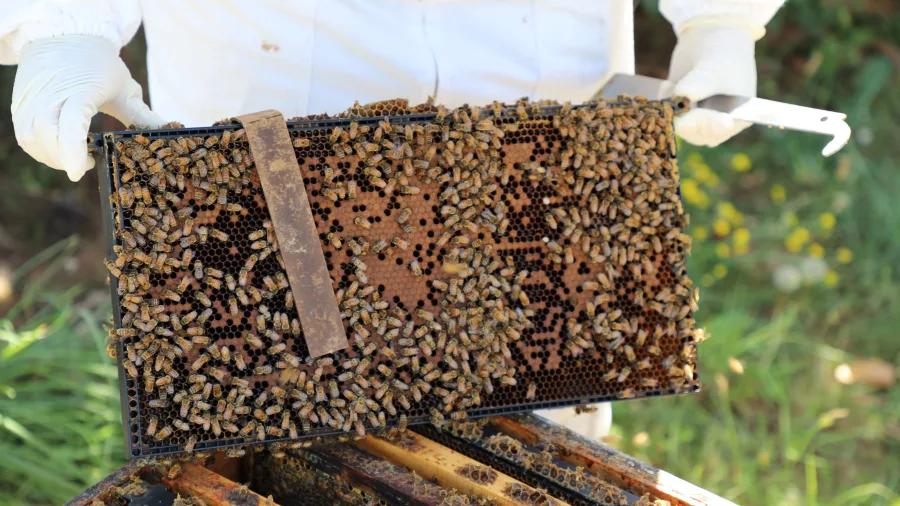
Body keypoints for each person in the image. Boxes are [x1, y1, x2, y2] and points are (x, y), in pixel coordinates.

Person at [0, 0, 785, 441]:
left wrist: (720, 18)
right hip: (270, 92)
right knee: (271, 405)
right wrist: (61, 22)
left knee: (538, 418)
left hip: (535, 116)